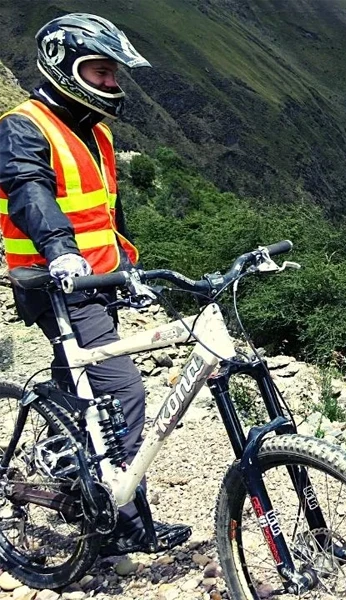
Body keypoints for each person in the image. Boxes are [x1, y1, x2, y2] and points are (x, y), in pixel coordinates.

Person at [0, 13, 190, 556]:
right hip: (55, 284)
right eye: (102, 72)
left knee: (79, 393)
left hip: (97, 282)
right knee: (122, 389)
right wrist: (62, 254)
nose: (114, 84)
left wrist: (130, 271)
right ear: (66, 69)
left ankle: (74, 482)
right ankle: (122, 529)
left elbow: (107, 215)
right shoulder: (24, 126)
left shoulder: (96, 132)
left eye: (114, 74)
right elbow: (29, 192)